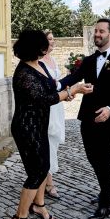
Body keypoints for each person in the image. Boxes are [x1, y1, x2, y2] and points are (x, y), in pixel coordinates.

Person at [10, 29, 93, 219]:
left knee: (43, 167)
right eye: (43, 44)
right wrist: (72, 91)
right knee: (37, 172)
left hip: (39, 125)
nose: (47, 46)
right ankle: (20, 218)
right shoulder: (23, 74)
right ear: (34, 47)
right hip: (26, 128)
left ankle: (38, 206)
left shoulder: (38, 64)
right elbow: (44, 99)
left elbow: (52, 87)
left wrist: (67, 91)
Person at [59, 18, 110, 219]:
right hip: (87, 118)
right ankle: (108, 187)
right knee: (92, 157)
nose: (97, 34)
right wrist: (53, 85)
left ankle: (105, 202)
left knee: (105, 159)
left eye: (101, 31)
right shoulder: (89, 61)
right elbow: (72, 79)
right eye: (95, 31)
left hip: (108, 119)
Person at [40, 30, 65, 199]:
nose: (52, 42)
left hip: (57, 106)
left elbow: (58, 82)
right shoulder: (39, 62)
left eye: (53, 39)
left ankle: (45, 179)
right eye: (49, 39)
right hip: (47, 106)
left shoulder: (53, 59)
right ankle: (49, 183)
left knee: (53, 141)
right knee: (47, 141)